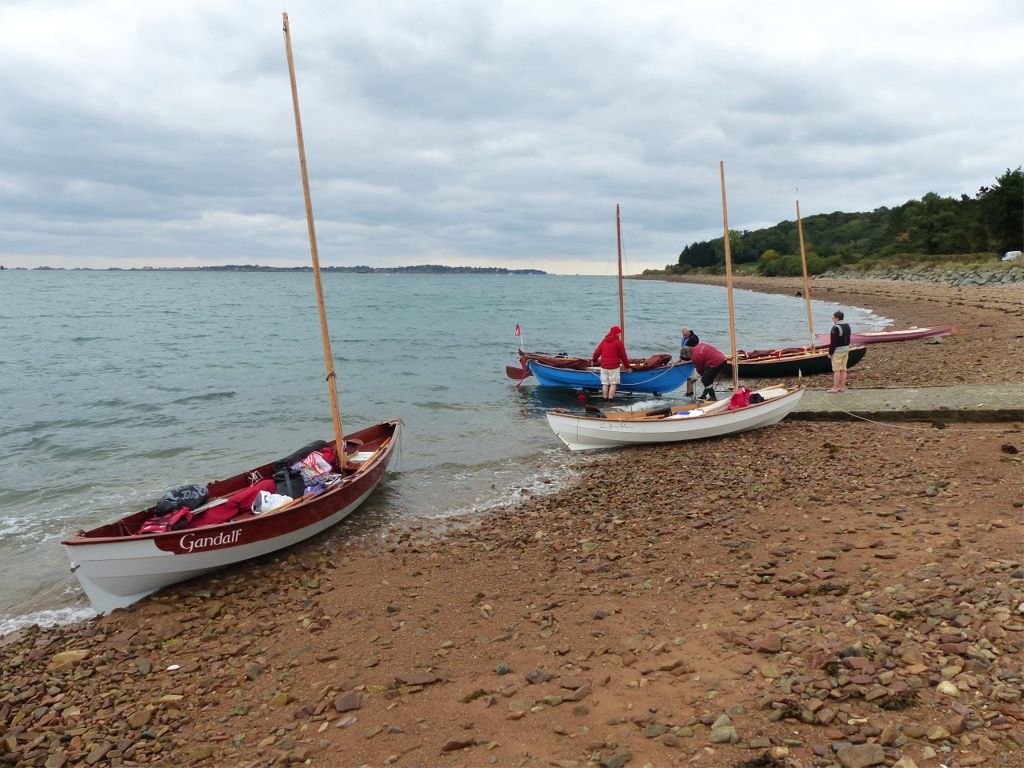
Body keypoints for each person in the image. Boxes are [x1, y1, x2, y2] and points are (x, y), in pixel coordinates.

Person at [592, 325, 631, 399]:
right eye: (619, 333)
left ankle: (604, 399)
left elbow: (597, 352)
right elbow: (623, 356)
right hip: (613, 367)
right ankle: (610, 400)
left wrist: (593, 360)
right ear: (616, 333)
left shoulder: (604, 341)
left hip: (604, 367)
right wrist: (628, 367)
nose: (620, 334)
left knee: (605, 384)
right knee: (613, 384)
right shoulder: (618, 342)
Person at [827, 310, 852, 393]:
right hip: (846, 349)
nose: (833, 320)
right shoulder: (847, 325)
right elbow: (848, 338)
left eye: (833, 318)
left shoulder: (836, 327)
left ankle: (835, 388)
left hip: (838, 351)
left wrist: (830, 353)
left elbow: (833, 342)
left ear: (837, 318)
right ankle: (842, 387)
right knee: (843, 369)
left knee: (837, 369)